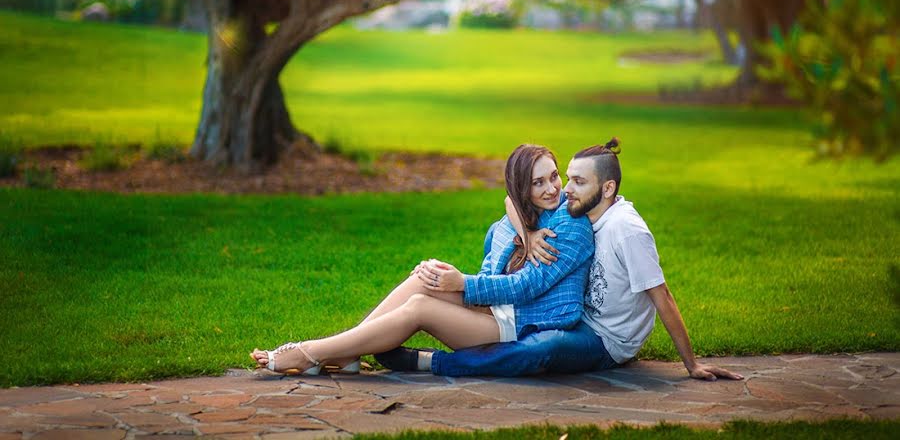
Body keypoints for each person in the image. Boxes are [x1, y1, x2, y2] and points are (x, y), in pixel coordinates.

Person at [379, 138, 743, 382]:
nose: (564, 188)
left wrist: (692, 365)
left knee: (543, 348)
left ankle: (433, 362)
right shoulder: (581, 211)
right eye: (565, 177)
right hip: (573, 313)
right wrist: (528, 236)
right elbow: (513, 198)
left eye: (576, 181)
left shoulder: (628, 231)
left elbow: (662, 296)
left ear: (607, 189)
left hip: (605, 338)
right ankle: (361, 342)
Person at [250, 144, 594, 374]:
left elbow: (526, 287)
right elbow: (509, 204)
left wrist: (462, 284)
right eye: (538, 183)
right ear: (522, 189)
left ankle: (312, 352)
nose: (553, 188)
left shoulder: (570, 223)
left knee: (419, 306)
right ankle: (347, 351)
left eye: (554, 177)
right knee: (426, 275)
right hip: (496, 308)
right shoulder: (526, 212)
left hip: (519, 326)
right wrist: (525, 234)